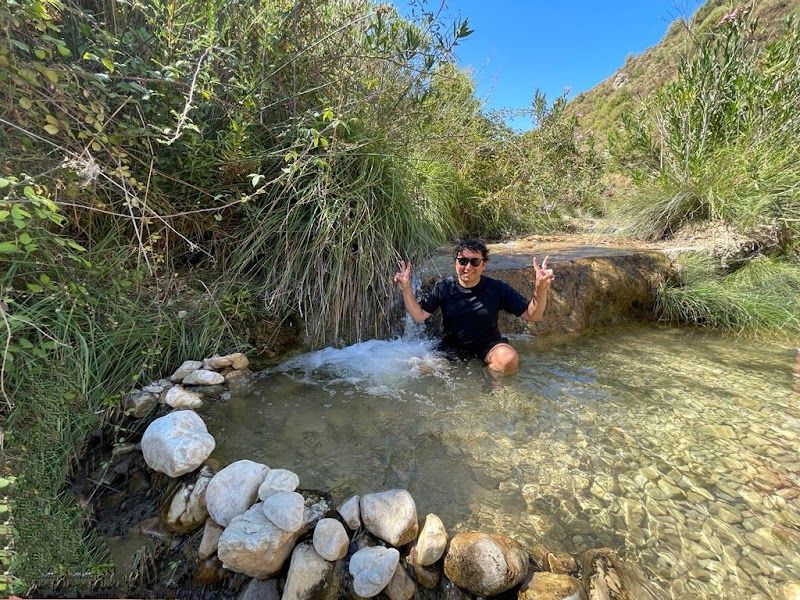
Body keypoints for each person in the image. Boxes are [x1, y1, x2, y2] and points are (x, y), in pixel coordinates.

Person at [393, 238, 554, 375]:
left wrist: (541, 288)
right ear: (455, 263)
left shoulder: (497, 288)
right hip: (452, 347)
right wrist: (406, 288)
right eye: (462, 261)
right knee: (421, 371)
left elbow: (533, 316)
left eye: (475, 262)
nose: (468, 267)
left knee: (508, 360)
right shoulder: (444, 287)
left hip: (489, 346)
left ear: (483, 265)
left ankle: (493, 391)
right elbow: (419, 315)